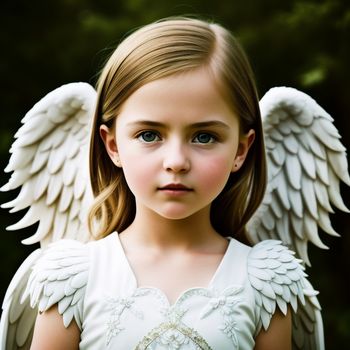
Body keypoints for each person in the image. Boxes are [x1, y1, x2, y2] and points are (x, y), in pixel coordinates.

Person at [27, 17, 305, 349]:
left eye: (204, 136)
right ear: (113, 144)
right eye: (149, 135)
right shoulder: (75, 278)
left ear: (241, 150)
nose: (176, 161)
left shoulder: (264, 281)